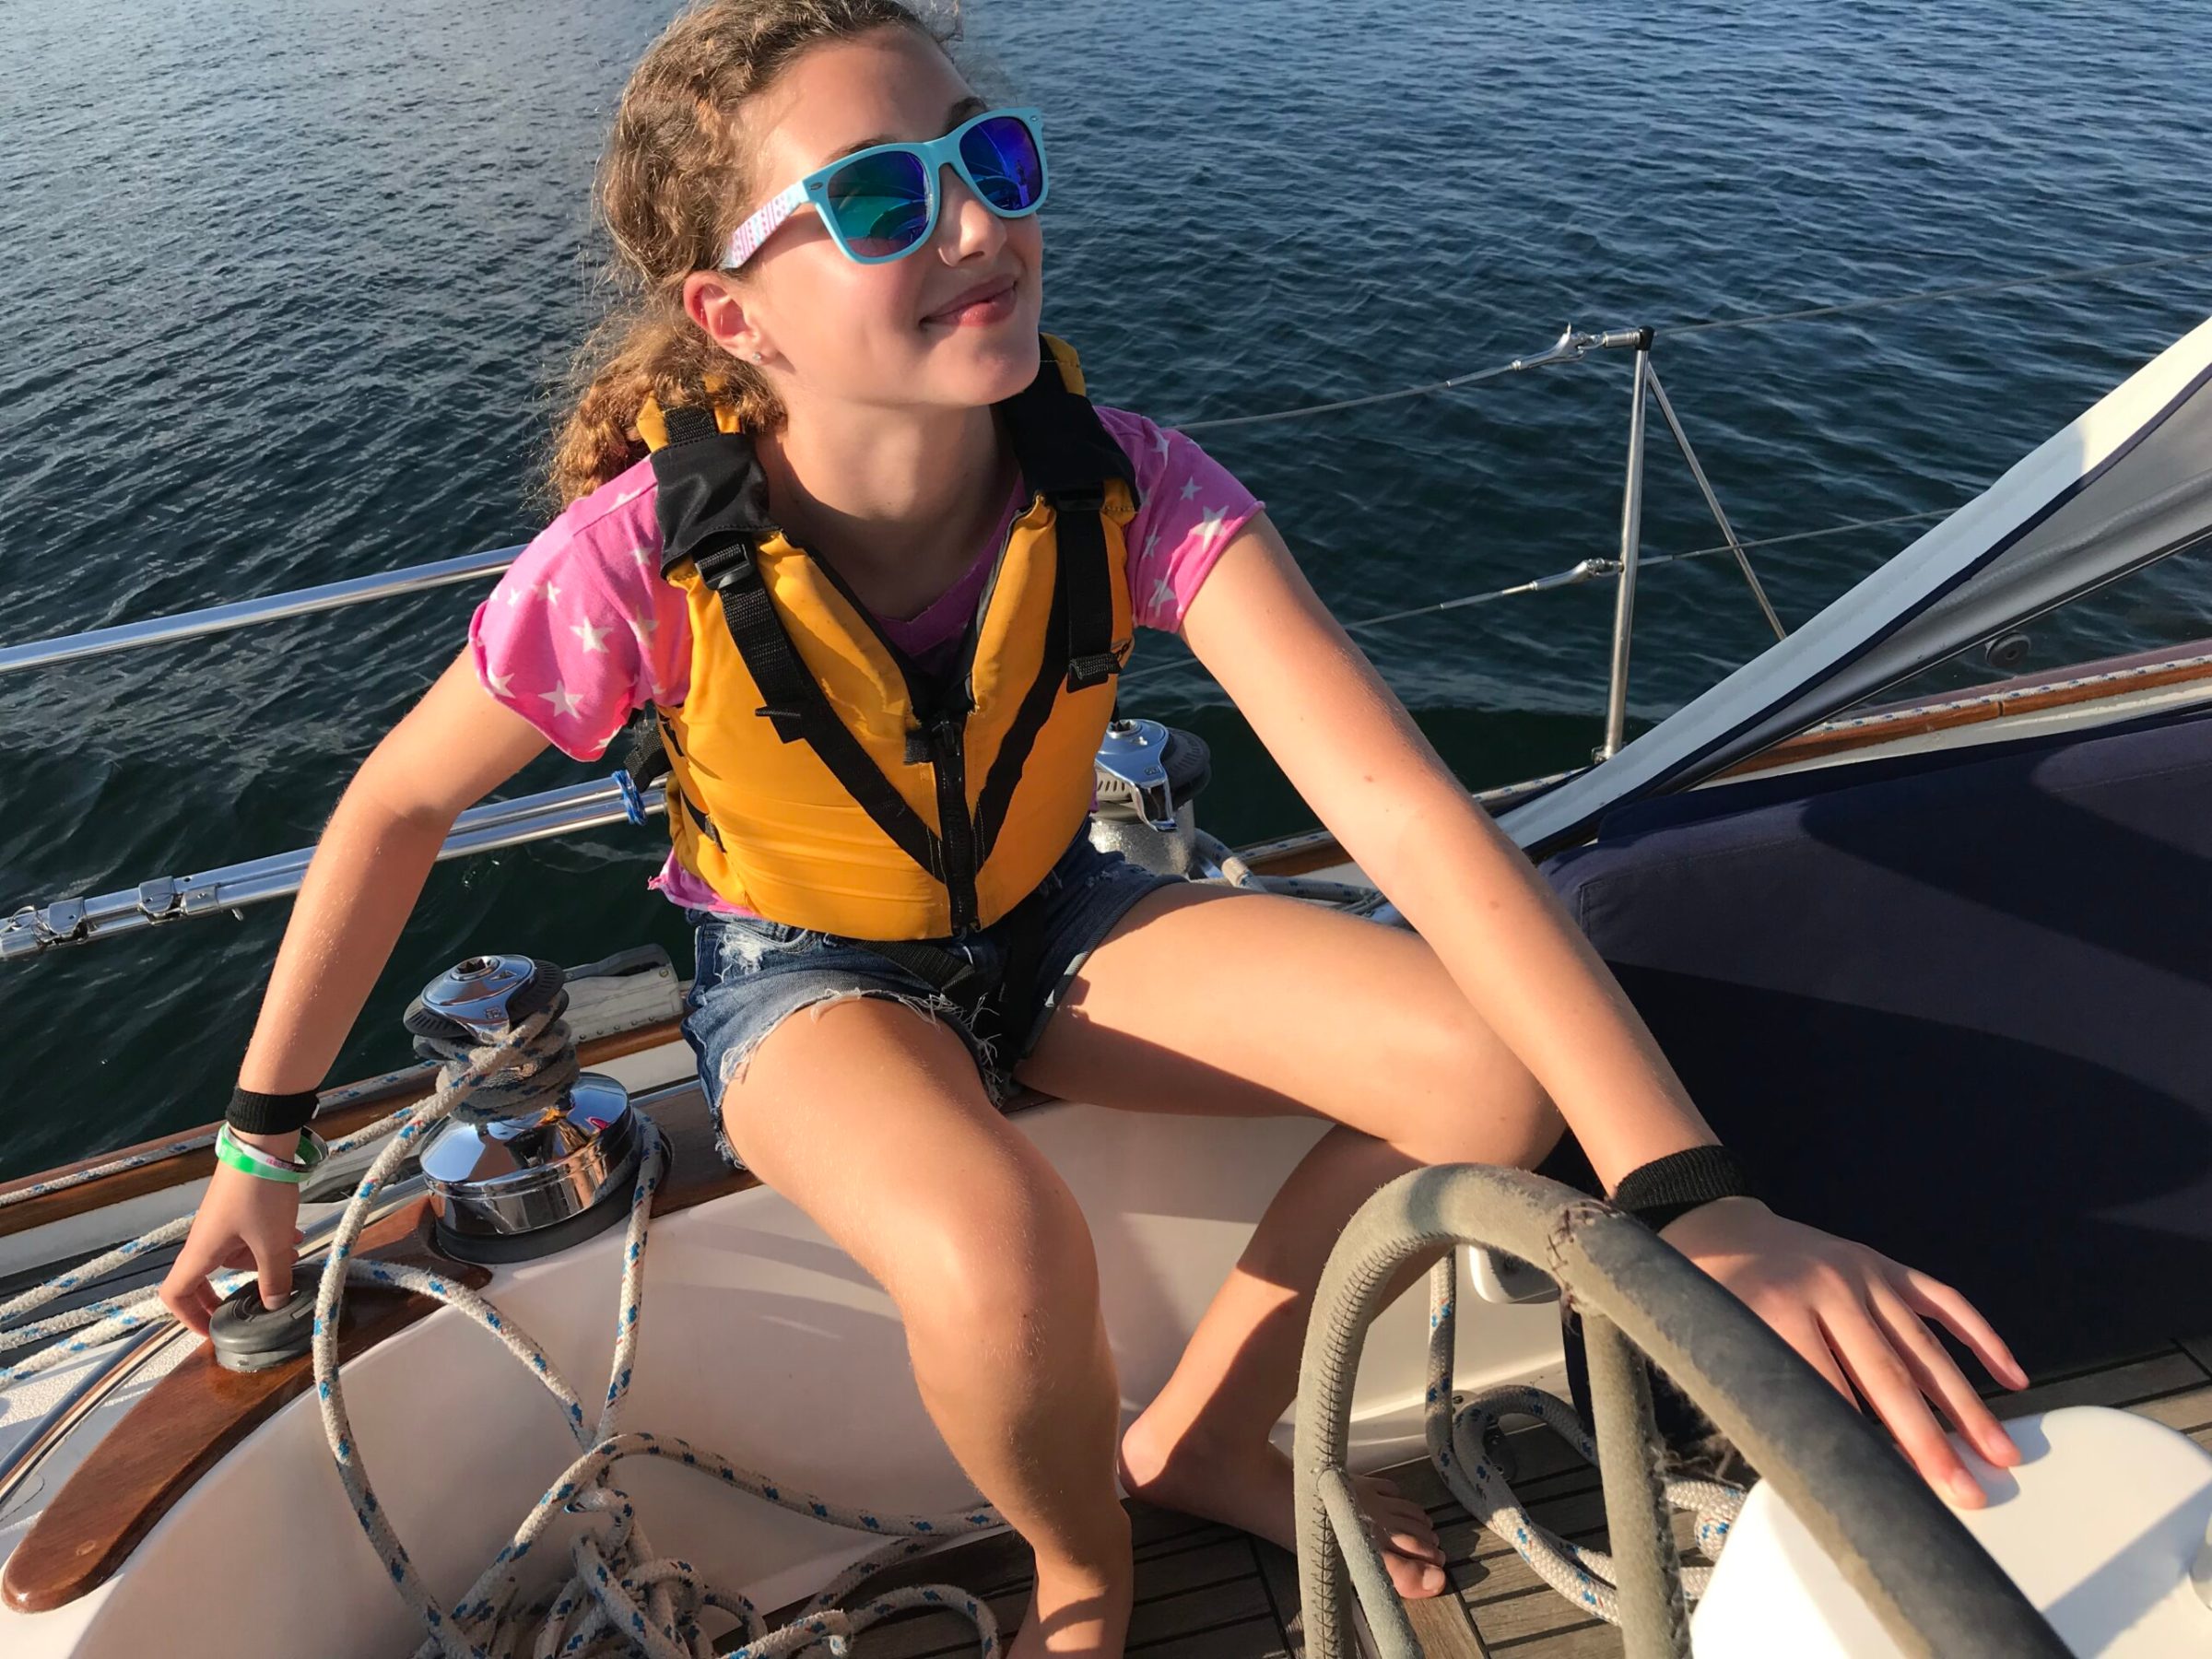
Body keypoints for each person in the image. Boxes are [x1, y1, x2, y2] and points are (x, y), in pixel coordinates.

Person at [159, 3, 2030, 1653]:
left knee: (1473, 1070)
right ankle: (1083, 1574)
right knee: (1000, 1244)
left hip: (1058, 920)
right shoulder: (639, 562)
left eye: (991, 158)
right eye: (882, 201)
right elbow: (399, 802)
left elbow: (1397, 807)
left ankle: (1210, 1432)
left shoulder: (1131, 488)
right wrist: (262, 1150)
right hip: (801, 985)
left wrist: (1691, 1200)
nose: (976, 221)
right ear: (733, 314)